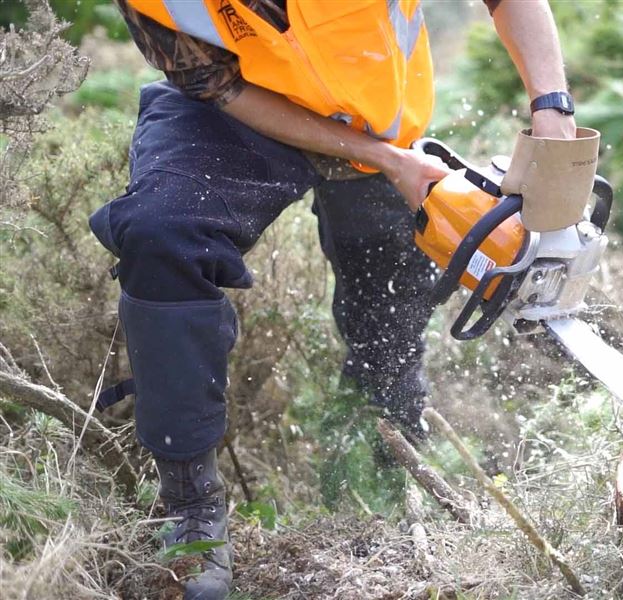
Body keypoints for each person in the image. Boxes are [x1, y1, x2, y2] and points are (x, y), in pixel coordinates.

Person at [89, 1, 579, 597]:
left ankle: (389, 456)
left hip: (376, 117)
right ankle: (190, 504)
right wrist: (385, 160)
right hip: (236, 116)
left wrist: (551, 104)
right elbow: (216, 83)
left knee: (388, 322)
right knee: (161, 235)